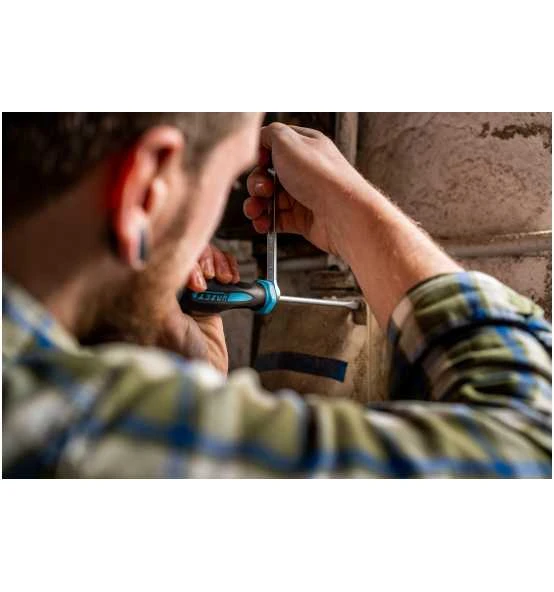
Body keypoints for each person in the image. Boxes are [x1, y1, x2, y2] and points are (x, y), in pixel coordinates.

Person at [2, 113, 551, 478]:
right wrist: (350, 209)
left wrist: (185, 387)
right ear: (146, 187)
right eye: (229, 179)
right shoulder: (65, 424)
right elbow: (532, 448)